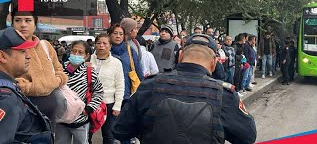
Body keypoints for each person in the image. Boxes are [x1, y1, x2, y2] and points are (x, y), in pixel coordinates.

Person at [112, 34, 257, 144]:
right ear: (214, 63)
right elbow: (248, 136)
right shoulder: (224, 95)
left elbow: (120, 130)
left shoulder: (150, 85)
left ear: (180, 56)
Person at [11, 9, 68, 131]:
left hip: (51, 113)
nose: (23, 24)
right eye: (18, 20)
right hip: (24, 113)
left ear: (35, 24)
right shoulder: (8, 49)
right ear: (12, 24)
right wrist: (49, 84)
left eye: (28, 20)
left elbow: (60, 71)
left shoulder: (45, 45)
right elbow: (13, 83)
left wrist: (55, 80)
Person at [0, 27, 53, 143]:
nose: (29, 56)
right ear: (3, 56)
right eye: (22, 51)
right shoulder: (6, 98)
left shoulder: (8, 87)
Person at [55, 40, 104, 144]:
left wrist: (89, 108)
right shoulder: (60, 70)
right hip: (61, 119)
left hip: (80, 120)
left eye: (80, 52)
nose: (76, 54)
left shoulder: (89, 72)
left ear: (86, 56)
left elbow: (99, 92)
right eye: (74, 51)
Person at [89, 33, 125, 144]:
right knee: (86, 133)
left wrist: (117, 106)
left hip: (108, 104)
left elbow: (120, 85)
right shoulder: (88, 61)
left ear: (110, 46)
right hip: (89, 103)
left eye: (105, 43)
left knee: (108, 136)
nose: (101, 46)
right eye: (98, 43)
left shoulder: (116, 63)